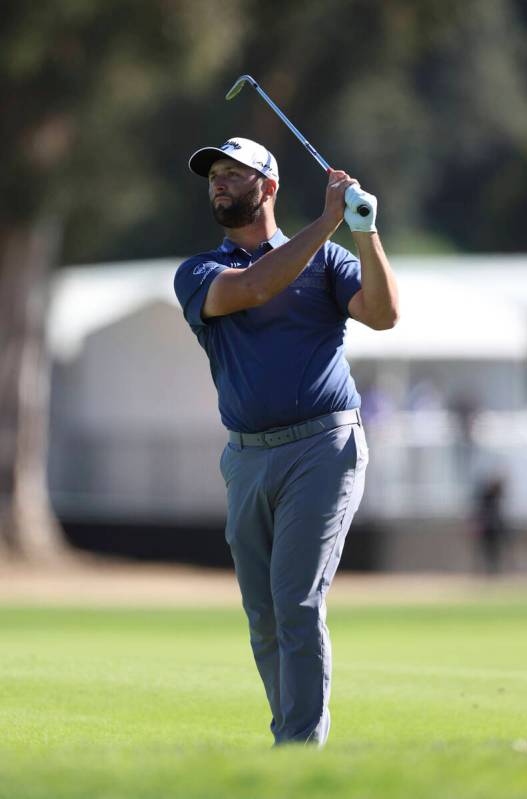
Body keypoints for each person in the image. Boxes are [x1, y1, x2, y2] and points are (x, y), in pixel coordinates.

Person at [174, 137, 399, 747]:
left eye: (233, 174)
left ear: (267, 188)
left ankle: (298, 750)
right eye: (214, 175)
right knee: (265, 617)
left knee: (296, 601)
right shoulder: (199, 271)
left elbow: (382, 314)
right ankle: (291, 735)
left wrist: (363, 232)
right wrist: (326, 223)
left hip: (324, 448)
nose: (218, 183)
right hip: (246, 458)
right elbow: (251, 291)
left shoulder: (327, 262)